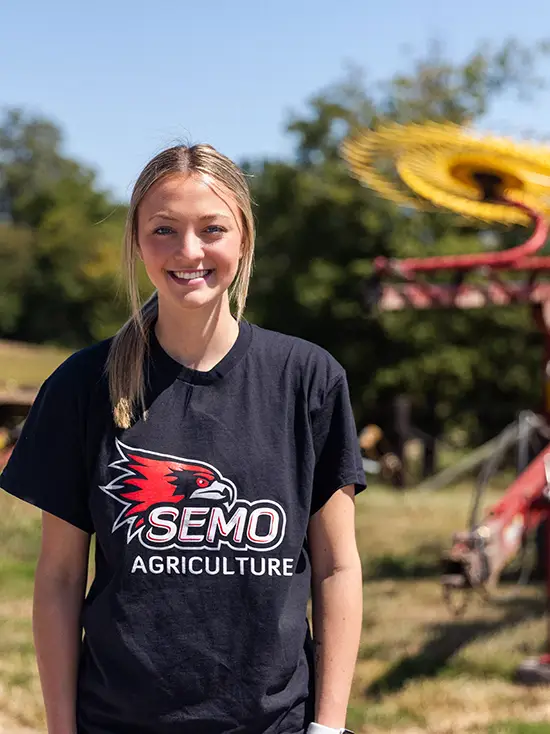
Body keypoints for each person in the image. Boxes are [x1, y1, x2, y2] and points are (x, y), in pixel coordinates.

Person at [0, 143, 366, 734]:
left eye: (212, 229)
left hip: (275, 723)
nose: (188, 251)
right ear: (138, 241)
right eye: (164, 230)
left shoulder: (307, 379)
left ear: (243, 238)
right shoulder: (82, 386)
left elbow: (335, 567)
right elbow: (60, 578)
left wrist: (327, 727)